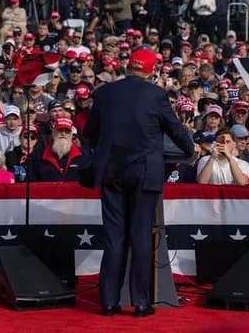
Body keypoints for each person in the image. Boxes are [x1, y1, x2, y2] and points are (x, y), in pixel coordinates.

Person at [82, 49, 194, 317]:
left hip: (111, 174)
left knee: (114, 238)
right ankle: (141, 302)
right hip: (145, 173)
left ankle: (109, 302)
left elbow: (89, 136)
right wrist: (189, 148)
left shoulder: (105, 93)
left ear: (127, 67)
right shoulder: (155, 95)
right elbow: (175, 128)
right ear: (150, 71)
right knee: (141, 236)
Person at [32, 117, 89, 182]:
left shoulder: (83, 155)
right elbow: (32, 182)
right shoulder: (39, 155)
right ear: (53, 133)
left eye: (67, 131)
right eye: (60, 130)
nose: (63, 134)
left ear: (71, 135)